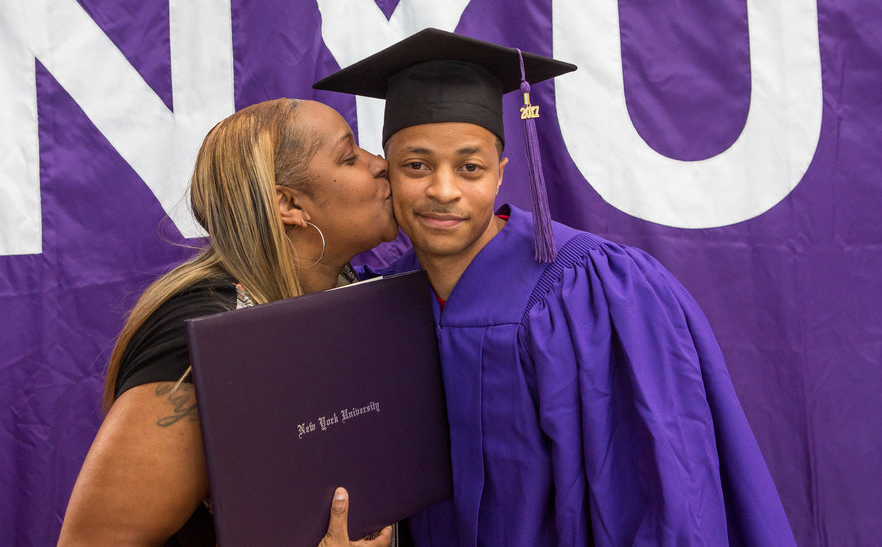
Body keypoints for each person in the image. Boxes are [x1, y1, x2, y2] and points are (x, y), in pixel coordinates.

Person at [314, 29, 797, 546]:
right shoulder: (384, 301)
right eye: (417, 166)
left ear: (500, 175)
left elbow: (664, 493)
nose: (443, 189)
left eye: (470, 167)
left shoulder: (594, 292)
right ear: (387, 175)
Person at [58, 98, 399, 547]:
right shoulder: (200, 343)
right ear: (288, 204)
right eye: (349, 156)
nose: (381, 164)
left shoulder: (346, 293)